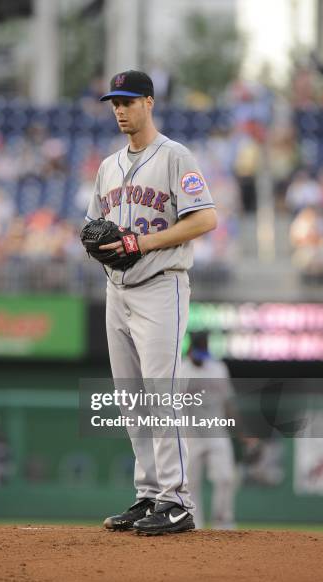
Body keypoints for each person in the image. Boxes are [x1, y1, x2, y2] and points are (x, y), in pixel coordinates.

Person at [85, 70, 217, 535]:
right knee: (130, 398)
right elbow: (92, 227)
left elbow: (205, 219)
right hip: (115, 291)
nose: (119, 110)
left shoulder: (175, 156)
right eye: (113, 102)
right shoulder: (107, 166)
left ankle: (177, 500)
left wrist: (142, 243)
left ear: (149, 102)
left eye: (127, 101)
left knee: (162, 394)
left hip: (162, 285)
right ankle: (149, 495)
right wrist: (97, 243)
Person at [181, 332, 238, 529]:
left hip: (217, 432)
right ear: (190, 351)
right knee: (191, 483)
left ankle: (223, 522)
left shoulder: (218, 368)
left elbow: (228, 402)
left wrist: (241, 431)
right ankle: (194, 523)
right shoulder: (181, 370)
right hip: (191, 435)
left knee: (225, 477)